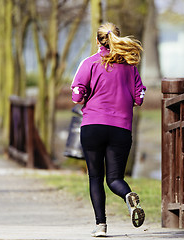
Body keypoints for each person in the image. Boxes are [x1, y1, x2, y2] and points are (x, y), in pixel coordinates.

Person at [71, 22, 146, 237]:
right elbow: (139, 97)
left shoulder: (90, 63)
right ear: (118, 39)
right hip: (121, 128)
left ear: (97, 41)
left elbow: (77, 95)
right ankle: (128, 195)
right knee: (114, 179)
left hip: (93, 126)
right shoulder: (130, 66)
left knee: (95, 177)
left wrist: (82, 94)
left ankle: (101, 225)